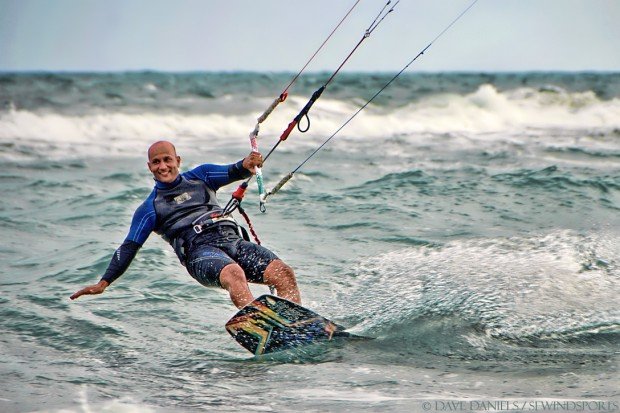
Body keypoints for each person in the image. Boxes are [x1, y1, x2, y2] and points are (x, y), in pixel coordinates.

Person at [70, 140, 301, 309]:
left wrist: (248, 163)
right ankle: (262, 325)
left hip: (233, 241)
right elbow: (128, 247)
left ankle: (297, 321)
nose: (163, 166)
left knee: (283, 272)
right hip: (200, 253)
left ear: (177, 161)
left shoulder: (201, 176)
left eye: (167, 160)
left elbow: (235, 170)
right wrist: (104, 282)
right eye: (156, 162)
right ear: (149, 166)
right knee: (233, 273)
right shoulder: (150, 208)